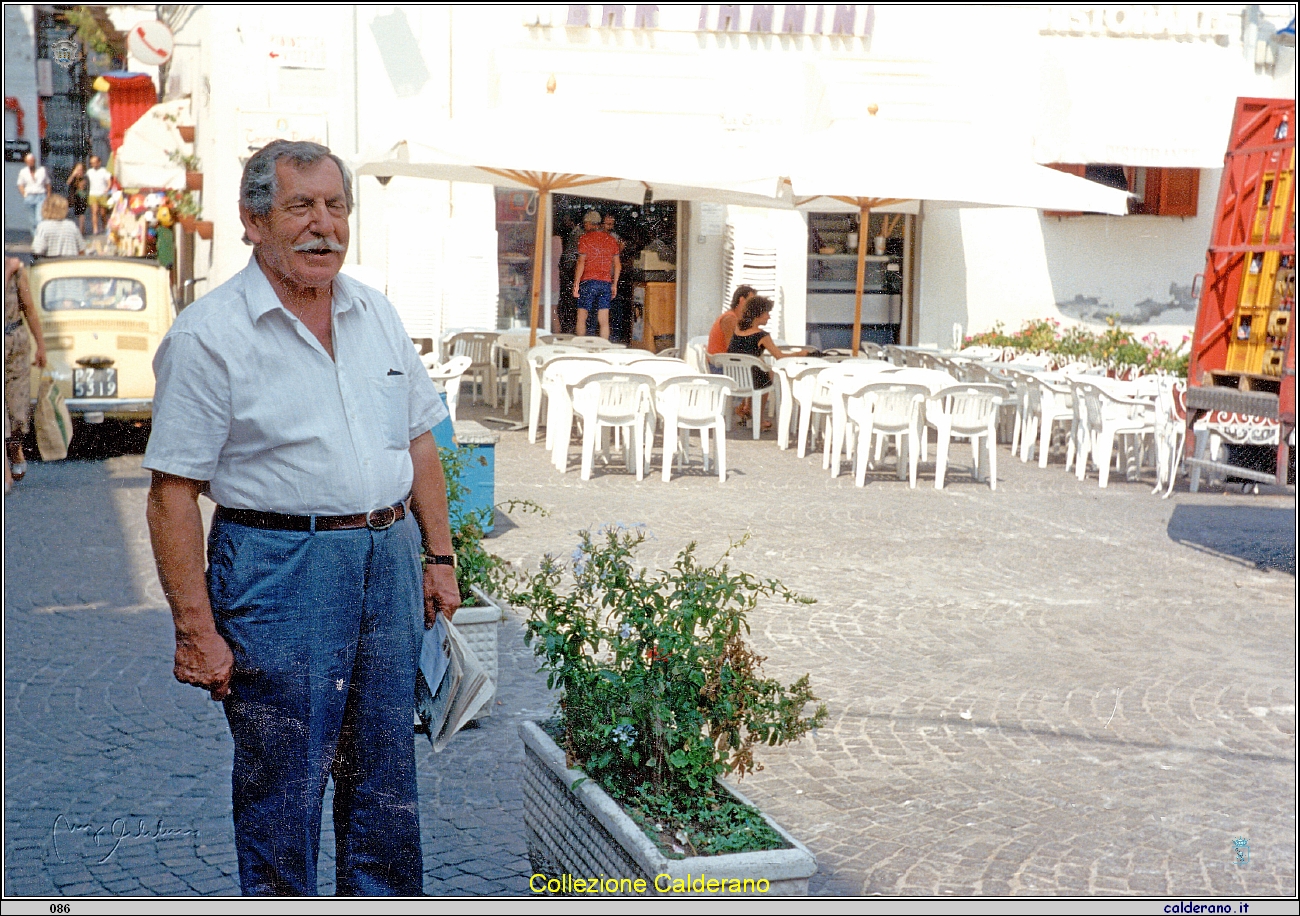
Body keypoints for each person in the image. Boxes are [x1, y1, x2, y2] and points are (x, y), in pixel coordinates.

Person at [142, 140, 460, 896]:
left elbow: (419, 440)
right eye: (301, 207)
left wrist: (439, 557)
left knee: (385, 780)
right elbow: (172, 494)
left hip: (386, 559)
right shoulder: (208, 336)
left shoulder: (374, 311)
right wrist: (197, 631)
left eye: (336, 206)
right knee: (281, 788)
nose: (324, 226)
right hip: (280, 571)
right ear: (254, 221)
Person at [727, 295, 809, 427]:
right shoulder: (762, 336)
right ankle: (758, 419)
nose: (769, 317)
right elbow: (780, 357)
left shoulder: (737, 330)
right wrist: (800, 353)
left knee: (759, 369)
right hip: (751, 380)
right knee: (768, 374)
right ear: (758, 315)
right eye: (767, 313)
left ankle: (747, 408)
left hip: (734, 377)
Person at [4, 257, 47, 482]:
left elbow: (29, 308)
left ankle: (15, 447)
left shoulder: (17, 271)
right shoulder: (10, 270)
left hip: (15, 343)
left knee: (17, 403)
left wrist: (41, 345)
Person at [572, 209, 620, 340]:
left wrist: (576, 284)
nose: (584, 226)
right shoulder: (611, 240)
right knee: (604, 319)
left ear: (592, 224)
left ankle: (580, 345)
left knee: (582, 316)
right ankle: (603, 348)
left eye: (586, 223)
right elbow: (618, 265)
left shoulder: (584, 238)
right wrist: (614, 284)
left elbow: (581, 262)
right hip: (605, 282)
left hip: (588, 281)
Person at [706, 284, 756, 357]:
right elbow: (733, 349)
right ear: (742, 300)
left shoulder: (734, 317)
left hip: (727, 362)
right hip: (721, 365)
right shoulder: (730, 319)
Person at [16, 153, 49, 232]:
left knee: (39, 219)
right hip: (29, 197)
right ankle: (36, 239)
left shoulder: (42, 170)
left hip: (41, 196)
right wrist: (24, 195)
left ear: (34, 161)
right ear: (26, 162)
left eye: (32, 161)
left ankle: (41, 237)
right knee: (32, 221)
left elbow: (47, 183)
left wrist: (48, 196)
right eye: (29, 161)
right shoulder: (23, 172)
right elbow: (20, 184)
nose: (31, 163)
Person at [85, 155, 113, 235]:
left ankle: (104, 226)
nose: (93, 164)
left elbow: (109, 181)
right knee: (94, 211)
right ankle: (95, 229)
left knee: (103, 213)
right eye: (92, 163)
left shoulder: (104, 171)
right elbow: (84, 180)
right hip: (93, 194)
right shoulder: (89, 172)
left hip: (103, 194)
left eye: (95, 163)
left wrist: (107, 188)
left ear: (99, 162)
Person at [66, 162, 89, 234]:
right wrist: (73, 175)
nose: (79, 171)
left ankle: (81, 230)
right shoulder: (72, 177)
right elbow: (68, 183)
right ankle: (82, 229)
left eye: (81, 170)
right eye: (77, 169)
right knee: (76, 214)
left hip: (81, 197)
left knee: (81, 214)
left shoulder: (84, 178)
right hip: (73, 198)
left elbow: (83, 187)